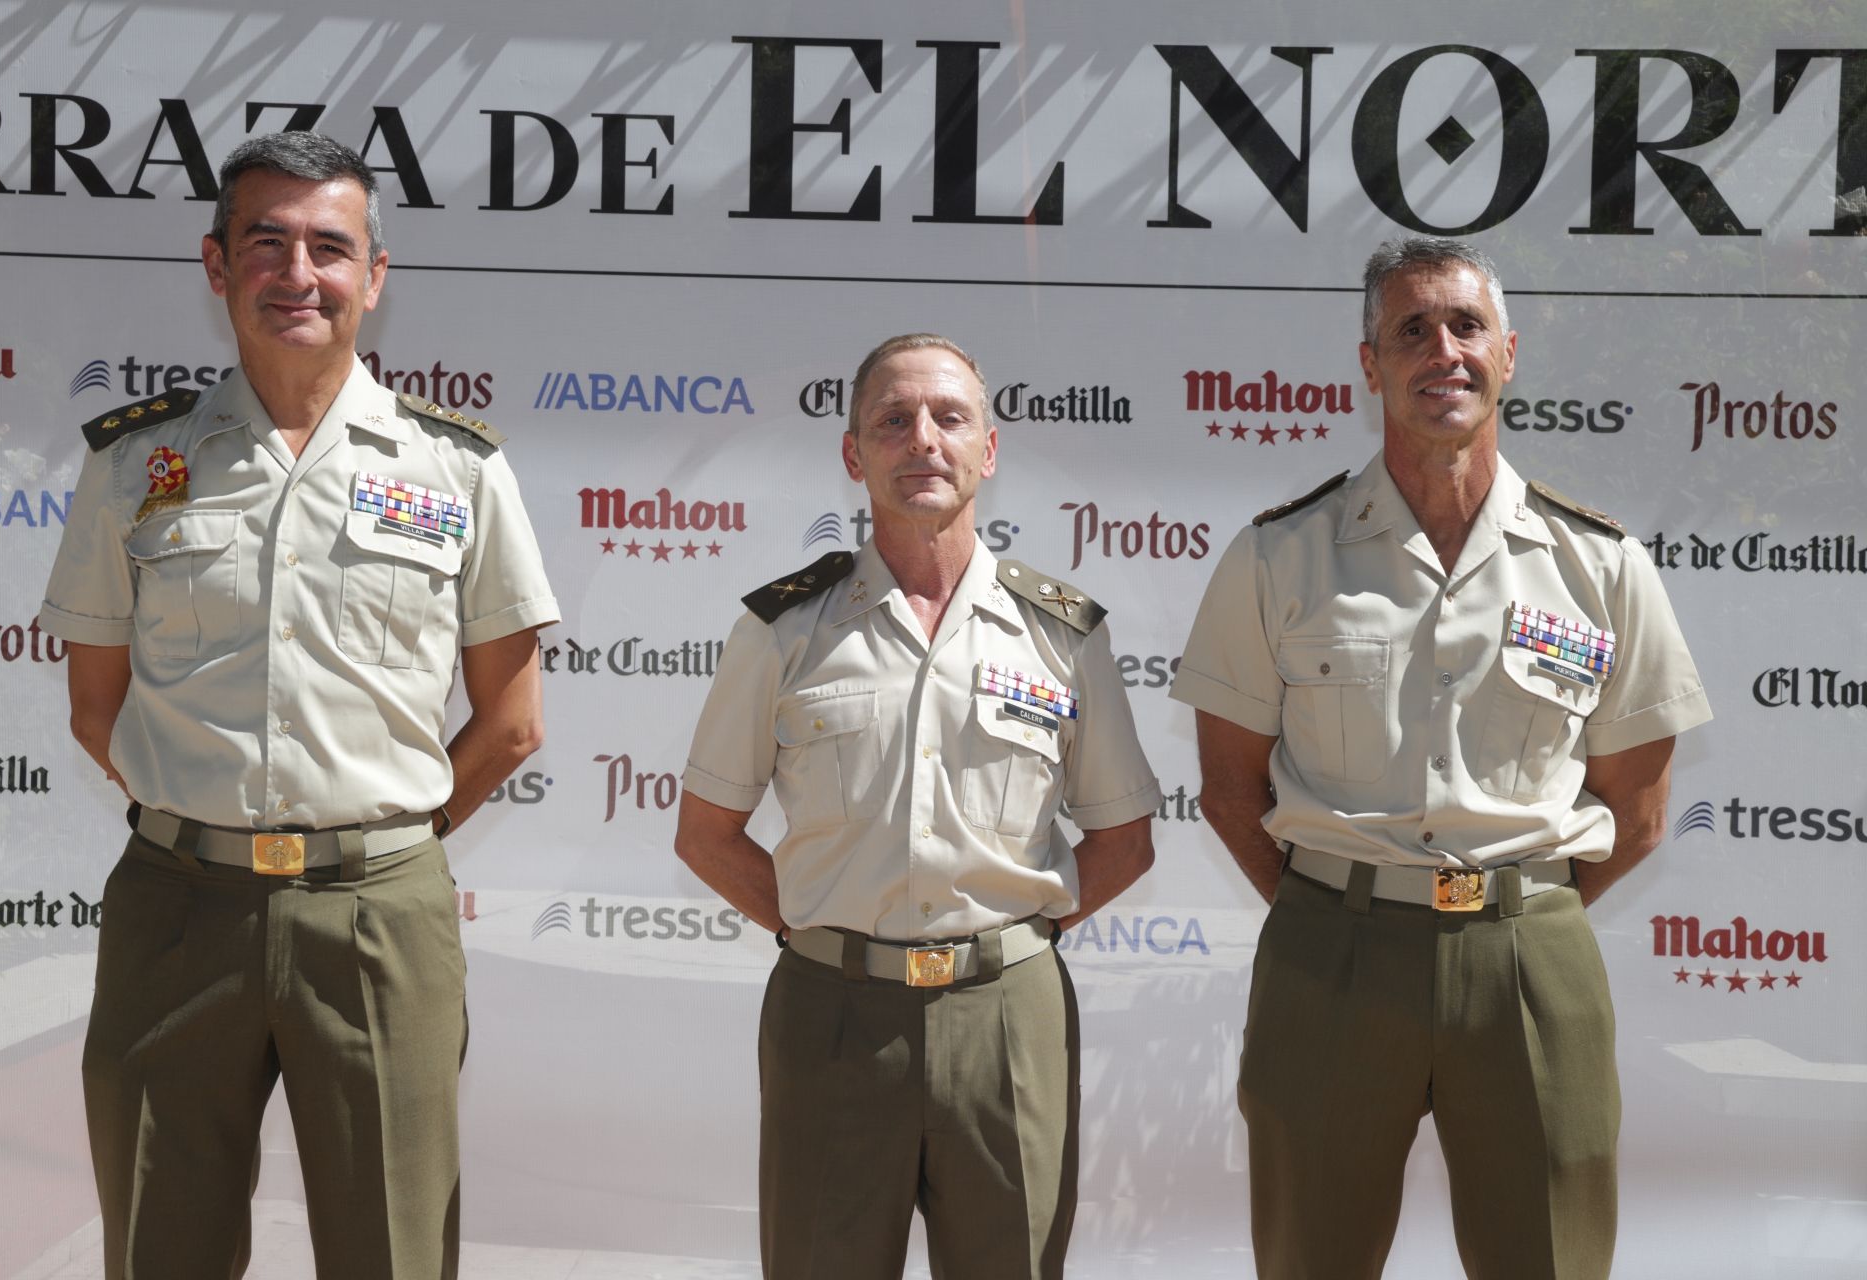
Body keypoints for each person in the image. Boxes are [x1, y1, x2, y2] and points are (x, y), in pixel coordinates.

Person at [39, 131, 558, 1280]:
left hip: (378, 915)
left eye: (330, 246)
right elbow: (95, 708)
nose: (298, 272)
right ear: (217, 264)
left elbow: (513, 720)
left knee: (392, 1251)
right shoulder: (134, 465)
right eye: (266, 242)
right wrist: (205, 809)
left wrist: (385, 837)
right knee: (160, 1246)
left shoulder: (457, 469)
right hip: (179, 908)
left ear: (375, 275)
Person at [1171, 237, 1711, 1280]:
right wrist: (1343, 907)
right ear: (1370, 364)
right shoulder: (1279, 555)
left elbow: (1640, 812)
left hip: (1529, 960)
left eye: (1467, 326)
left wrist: (1516, 914)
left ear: (1508, 353)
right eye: (1410, 329)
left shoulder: (1600, 564)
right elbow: (1231, 788)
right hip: (1330, 956)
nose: (1443, 350)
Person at [675, 333, 1160, 1279]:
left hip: (1007, 1019)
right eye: (893, 421)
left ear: (990, 447)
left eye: (949, 418)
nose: (923, 440)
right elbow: (707, 834)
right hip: (834, 1016)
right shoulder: (782, 630)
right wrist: (828, 928)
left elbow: (1126, 839)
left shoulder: (1061, 634)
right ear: (853, 454)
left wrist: (1008, 935)